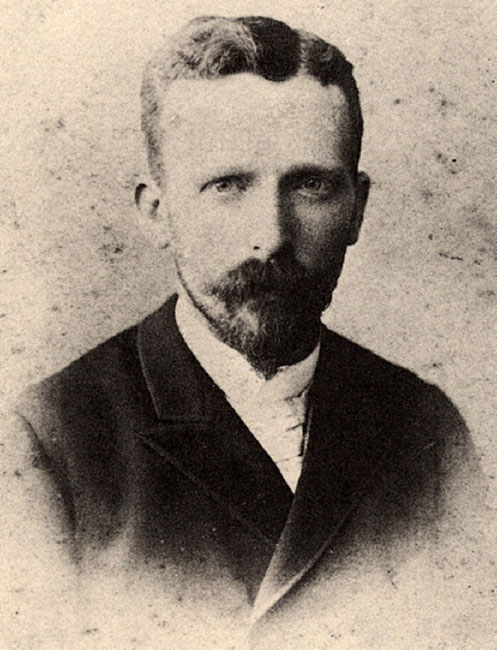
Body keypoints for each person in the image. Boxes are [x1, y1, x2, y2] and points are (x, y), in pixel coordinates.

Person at [14, 15, 488, 649]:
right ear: (157, 212)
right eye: (227, 186)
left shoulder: (426, 428)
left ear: (356, 208)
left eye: (311, 185)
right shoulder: (47, 439)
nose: (271, 236)